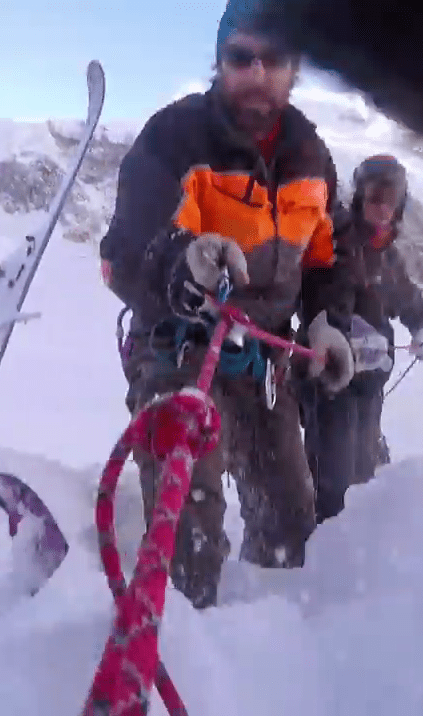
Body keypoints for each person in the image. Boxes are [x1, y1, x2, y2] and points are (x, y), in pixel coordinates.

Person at [98, 2, 358, 610]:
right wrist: (181, 263)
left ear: (295, 69)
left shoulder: (311, 159)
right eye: (242, 56)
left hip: (263, 363)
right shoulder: (174, 138)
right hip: (179, 350)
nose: (257, 72)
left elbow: (329, 256)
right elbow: (124, 254)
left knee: (291, 532)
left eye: (275, 59)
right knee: (189, 527)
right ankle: (180, 645)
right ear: (219, 62)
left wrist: (327, 321)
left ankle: (265, 665)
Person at [301, 155, 423, 524]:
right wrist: (339, 332)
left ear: (399, 205)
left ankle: (351, 549)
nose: (380, 207)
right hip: (332, 379)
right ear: (360, 196)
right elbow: (323, 296)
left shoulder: (387, 256)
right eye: (374, 195)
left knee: (362, 472)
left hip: (369, 383)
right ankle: (320, 554)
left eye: (389, 198)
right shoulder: (335, 238)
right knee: (332, 476)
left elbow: (407, 298)